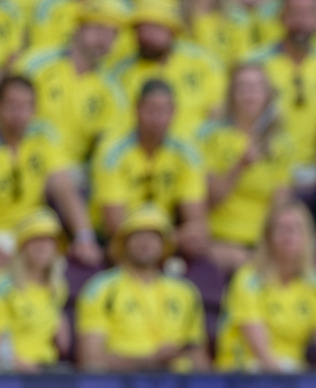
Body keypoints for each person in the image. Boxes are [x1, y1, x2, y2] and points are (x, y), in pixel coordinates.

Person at [76, 204, 210, 372]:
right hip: (121, 386)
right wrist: (148, 362)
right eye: (138, 235)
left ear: (165, 244)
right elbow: (91, 360)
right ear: (124, 243)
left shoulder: (186, 292)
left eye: (153, 236)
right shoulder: (99, 288)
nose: (145, 242)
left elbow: (199, 357)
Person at [91, 78, 209, 260]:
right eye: (151, 110)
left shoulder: (187, 154)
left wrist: (162, 241)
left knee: (201, 249)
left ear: (174, 112)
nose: (157, 118)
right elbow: (115, 226)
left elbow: (196, 223)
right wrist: (156, 241)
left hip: (166, 238)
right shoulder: (112, 153)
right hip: (121, 241)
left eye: (164, 111)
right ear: (136, 109)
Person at [216, 200, 316, 372]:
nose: (288, 235)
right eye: (281, 228)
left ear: (308, 237)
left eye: (296, 228)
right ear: (268, 237)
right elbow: (260, 351)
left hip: (292, 372)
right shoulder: (248, 279)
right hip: (244, 371)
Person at [246, 0, 316, 193]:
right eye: (295, 14)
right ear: (281, 18)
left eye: (309, 14)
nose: (302, 22)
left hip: (313, 173)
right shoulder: (256, 65)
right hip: (264, 168)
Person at [15, 0, 127, 179]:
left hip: (73, 173)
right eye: (98, 28)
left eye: (112, 34)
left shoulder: (113, 91)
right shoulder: (36, 64)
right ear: (78, 27)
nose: (104, 39)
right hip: (20, 158)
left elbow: (108, 148)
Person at [199, 62, 293, 273]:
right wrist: (239, 167)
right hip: (220, 239)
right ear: (231, 95)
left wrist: (268, 248)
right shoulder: (212, 138)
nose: (250, 94)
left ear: (267, 95)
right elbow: (211, 199)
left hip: (261, 243)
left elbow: (280, 205)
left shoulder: (280, 144)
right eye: (243, 87)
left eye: (256, 87)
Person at [0, 75, 100, 267]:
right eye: (12, 105)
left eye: (26, 106)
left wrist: (85, 237)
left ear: (34, 109)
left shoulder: (42, 136)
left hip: (33, 227)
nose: (19, 113)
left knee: (61, 258)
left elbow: (64, 189)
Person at [106, 0, 226, 139]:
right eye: (142, 29)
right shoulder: (121, 74)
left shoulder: (203, 62)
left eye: (155, 28)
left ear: (172, 31)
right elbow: (118, 127)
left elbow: (218, 113)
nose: (147, 36)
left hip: (198, 146)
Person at [0, 209, 70, 371]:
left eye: (49, 240)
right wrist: (34, 370)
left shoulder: (58, 287)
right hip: (11, 374)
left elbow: (61, 342)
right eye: (35, 240)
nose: (42, 246)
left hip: (46, 368)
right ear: (22, 246)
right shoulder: (4, 288)